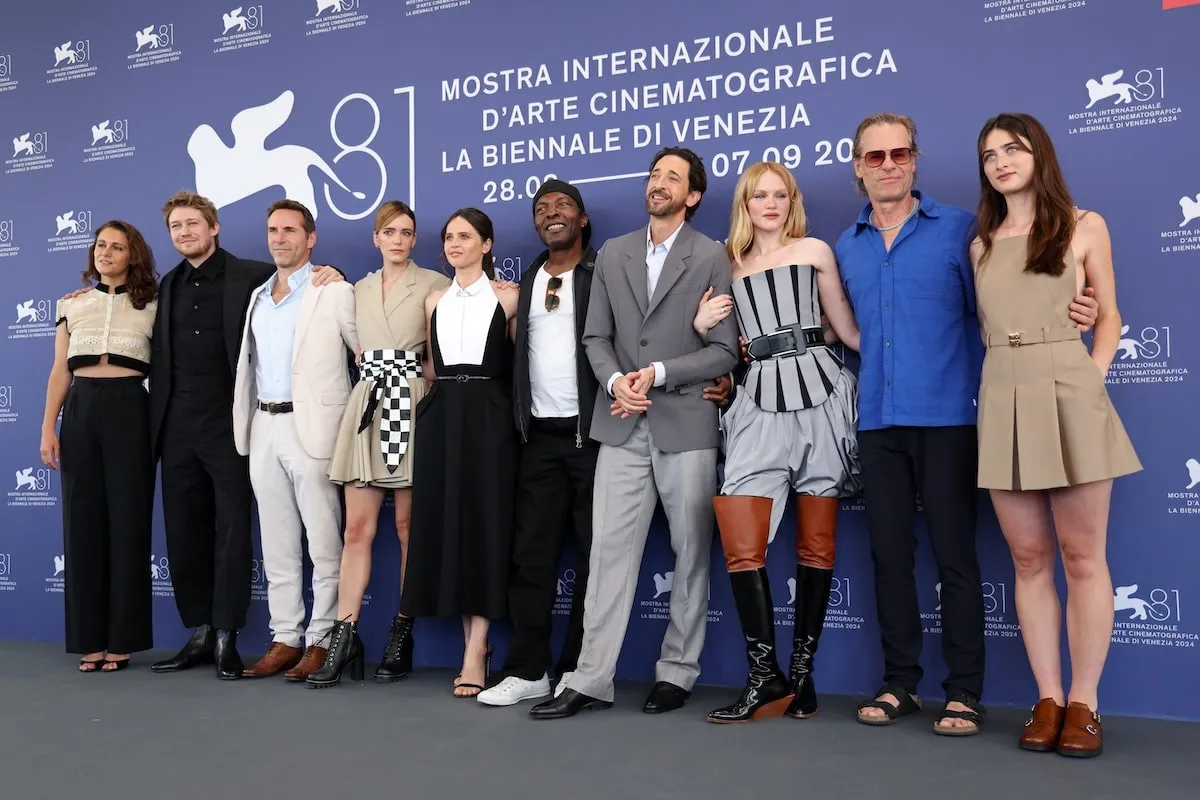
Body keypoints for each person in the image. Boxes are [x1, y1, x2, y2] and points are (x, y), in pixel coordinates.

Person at [835, 113, 1100, 735]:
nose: (889, 164)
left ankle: (964, 692)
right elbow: (851, 329)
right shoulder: (845, 245)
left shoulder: (964, 231)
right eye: (875, 157)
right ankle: (901, 682)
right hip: (876, 419)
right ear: (858, 166)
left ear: (916, 159)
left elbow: (1003, 306)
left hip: (951, 416)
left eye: (900, 153)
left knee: (956, 557)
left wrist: (1077, 311)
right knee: (888, 557)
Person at [530, 147, 739, 720]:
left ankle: (678, 672)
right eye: (654, 175)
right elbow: (595, 338)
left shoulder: (711, 255)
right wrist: (618, 380)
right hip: (621, 423)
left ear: (692, 195)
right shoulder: (615, 253)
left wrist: (662, 372)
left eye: (672, 177)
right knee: (607, 555)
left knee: (691, 553)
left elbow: (723, 351)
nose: (659, 183)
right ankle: (590, 677)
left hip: (687, 422)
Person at [971, 113, 1140, 758]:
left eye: (1012, 149)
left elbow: (1110, 313)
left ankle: (1084, 703)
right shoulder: (981, 243)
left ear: (1039, 153)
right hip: (1003, 390)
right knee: (1029, 559)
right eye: (989, 155)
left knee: (1082, 557)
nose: (1000, 162)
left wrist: (1091, 379)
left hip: (1069, 388)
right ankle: (1047, 696)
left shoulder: (1083, 224)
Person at [692, 162, 861, 723]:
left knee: (817, 544)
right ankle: (765, 679)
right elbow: (720, 346)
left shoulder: (815, 249)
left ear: (792, 201)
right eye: (759, 194)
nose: (770, 203)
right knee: (742, 540)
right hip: (757, 399)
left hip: (822, 398)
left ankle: (803, 679)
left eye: (780, 194)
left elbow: (846, 331)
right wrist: (701, 327)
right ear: (744, 201)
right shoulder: (725, 262)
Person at [147, 191, 342, 680]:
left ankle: (230, 635)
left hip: (235, 427)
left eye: (193, 223)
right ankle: (201, 631)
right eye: (176, 227)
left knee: (235, 531)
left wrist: (332, 270)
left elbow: (303, 276)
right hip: (186, 427)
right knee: (186, 533)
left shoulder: (251, 276)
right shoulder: (167, 284)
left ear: (214, 227)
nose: (185, 232)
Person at [309, 200, 451, 688]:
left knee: (410, 527)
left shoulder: (436, 284)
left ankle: (402, 632)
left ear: (415, 240)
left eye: (406, 232)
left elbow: (446, 352)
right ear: (375, 237)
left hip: (412, 401)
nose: (397, 239)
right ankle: (344, 636)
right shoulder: (353, 289)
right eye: (388, 231)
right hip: (368, 402)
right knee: (357, 531)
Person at [232, 200, 359, 682]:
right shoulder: (258, 296)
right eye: (273, 230)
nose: (279, 238)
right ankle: (285, 637)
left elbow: (365, 352)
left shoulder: (334, 290)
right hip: (263, 427)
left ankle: (322, 640)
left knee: (325, 543)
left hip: (316, 430)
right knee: (278, 542)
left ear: (311, 239)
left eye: (290, 230)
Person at [398, 208, 520, 698]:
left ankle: (477, 648)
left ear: (487, 245)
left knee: (486, 525)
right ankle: (475, 646)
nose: (454, 244)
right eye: (448, 237)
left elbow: (521, 365)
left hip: (490, 416)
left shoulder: (509, 296)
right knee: (450, 525)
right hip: (443, 416)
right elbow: (430, 367)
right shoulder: (433, 300)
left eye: (465, 236)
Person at [40, 221, 158, 672]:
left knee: (128, 522)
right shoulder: (72, 304)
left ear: (133, 255)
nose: (105, 252)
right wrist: (49, 426)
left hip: (131, 409)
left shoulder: (153, 305)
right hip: (81, 409)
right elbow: (58, 372)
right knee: (82, 522)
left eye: (117, 247)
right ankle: (89, 638)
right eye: (100, 245)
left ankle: (122, 640)